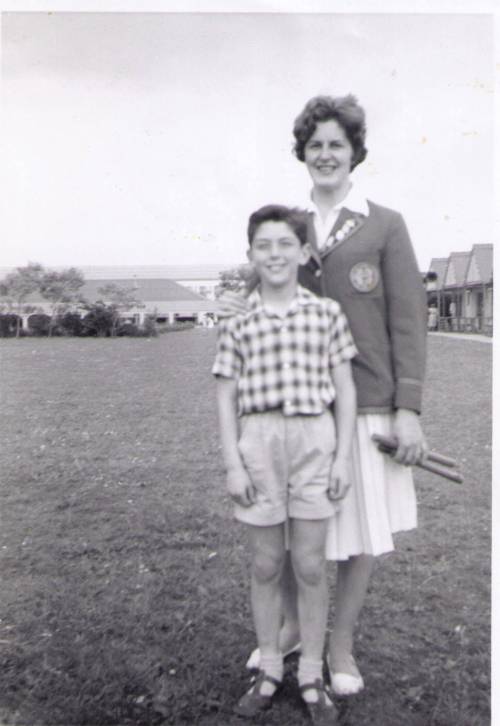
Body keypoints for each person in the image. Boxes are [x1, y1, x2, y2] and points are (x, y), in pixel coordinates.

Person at [218, 94, 428, 696]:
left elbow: (410, 321)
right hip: (297, 410)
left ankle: (339, 647)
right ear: (302, 154)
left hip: (367, 404)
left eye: (337, 144)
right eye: (315, 145)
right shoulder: (289, 225)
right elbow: (259, 290)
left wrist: (408, 409)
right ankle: (286, 630)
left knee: (357, 533)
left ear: (355, 153)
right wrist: (236, 300)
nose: (326, 154)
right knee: (288, 532)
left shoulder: (386, 224)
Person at [213, 204, 358, 722]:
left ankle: (313, 674)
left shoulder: (326, 314)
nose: (274, 254)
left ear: (303, 253)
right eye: (263, 246)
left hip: (315, 440)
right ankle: (271, 666)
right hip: (259, 442)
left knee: (311, 565)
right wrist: (233, 463)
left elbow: (344, 389)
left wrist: (342, 457)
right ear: (251, 254)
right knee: (267, 563)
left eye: (284, 245)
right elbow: (225, 395)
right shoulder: (237, 318)